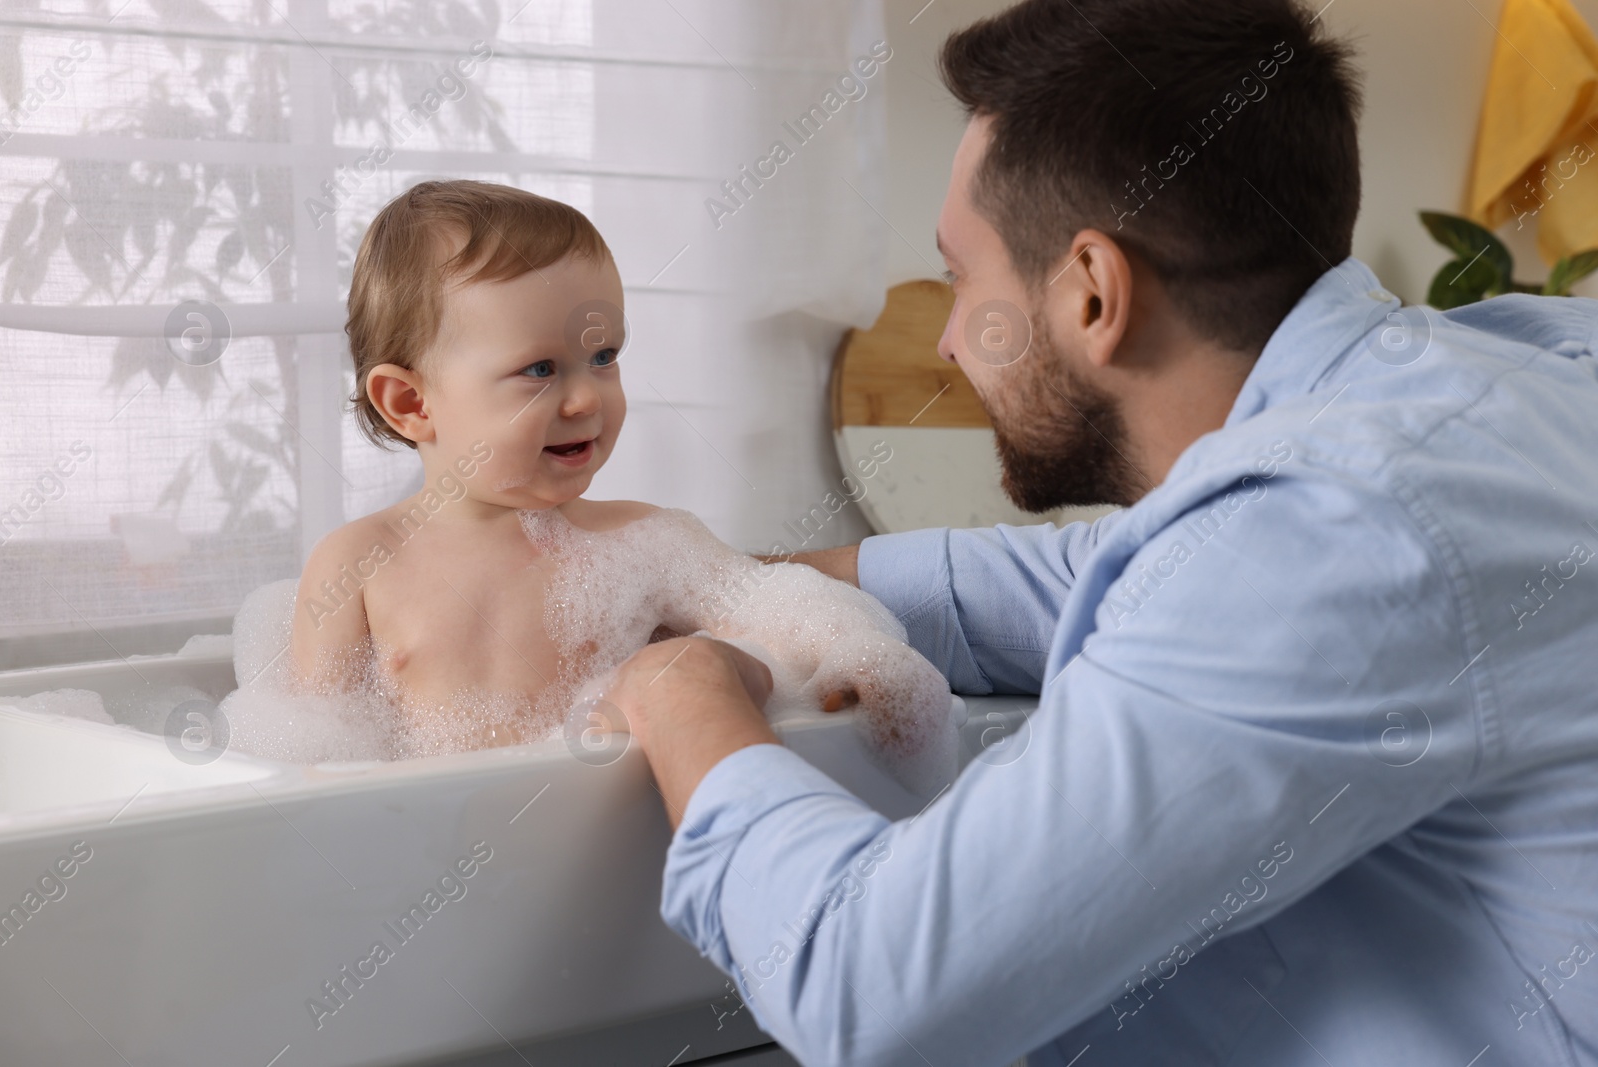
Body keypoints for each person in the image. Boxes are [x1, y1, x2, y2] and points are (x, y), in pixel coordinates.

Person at [601, 0, 1598, 1064]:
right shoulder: (1519, 360)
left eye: (960, 277)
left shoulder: (1334, 528)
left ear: (1091, 292)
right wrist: (738, 581)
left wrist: (681, 693)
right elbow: (1100, 571)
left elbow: (867, 984)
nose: (946, 340)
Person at [286, 179, 959, 786]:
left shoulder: (644, 539)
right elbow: (313, 767)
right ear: (411, 404)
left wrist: (857, 654)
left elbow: (770, 611)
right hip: (426, 855)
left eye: (604, 356)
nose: (586, 398)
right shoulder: (358, 566)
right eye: (541, 369)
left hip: (604, 858)